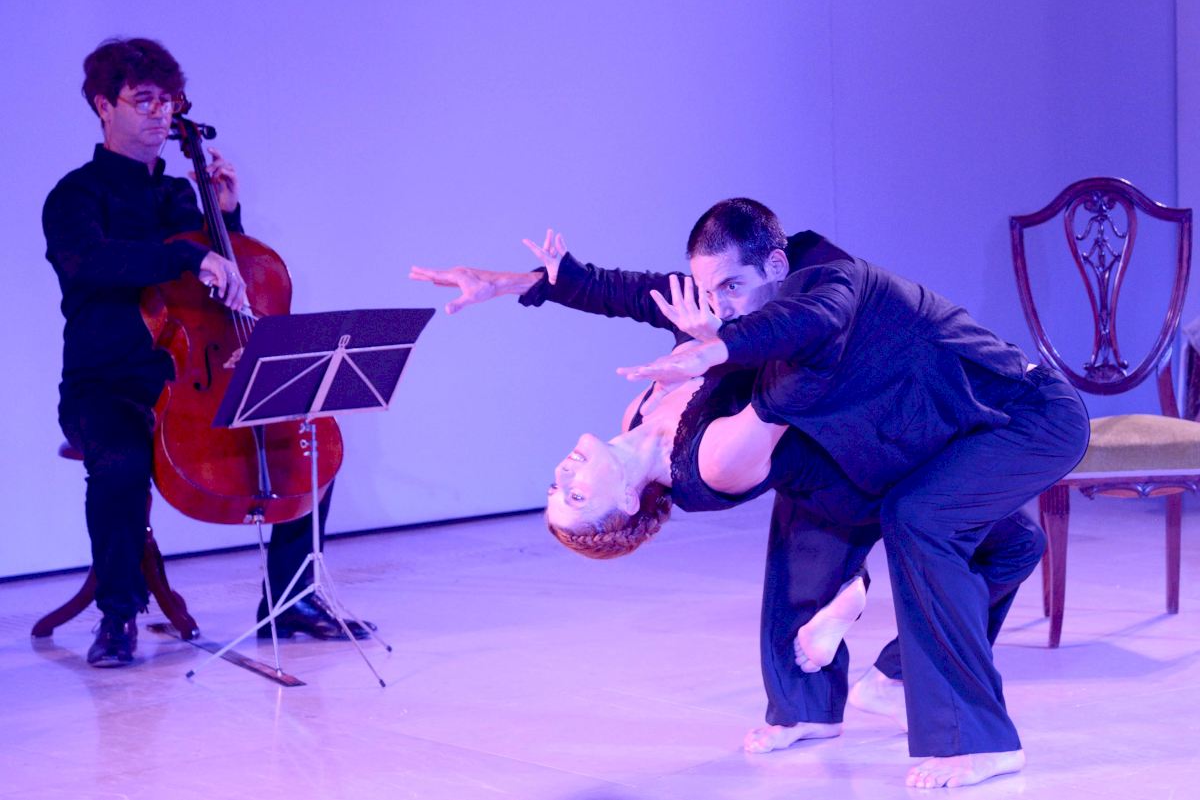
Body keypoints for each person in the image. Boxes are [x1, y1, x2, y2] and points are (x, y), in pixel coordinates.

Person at [411, 212, 1044, 756]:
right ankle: (856, 616)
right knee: (988, 547)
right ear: (626, 502)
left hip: (833, 454)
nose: (561, 475)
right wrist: (714, 339)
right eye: (576, 496)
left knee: (1012, 546)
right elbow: (787, 389)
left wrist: (513, 283)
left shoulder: (635, 418)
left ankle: (835, 695)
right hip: (858, 469)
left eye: (555, 490)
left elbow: (648, 296)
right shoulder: (706, 467)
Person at [615, 200, 1090, 788]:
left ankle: (980, 739)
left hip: (1029, 415)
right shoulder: (751, 308)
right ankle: (828, 701)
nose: (721, 305)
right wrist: (549, 281)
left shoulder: (829, 281)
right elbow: (647, 293)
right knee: (1007, 544)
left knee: (920, 519)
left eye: (731, 286)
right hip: (951, 439)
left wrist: (719, 346)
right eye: (712, 292)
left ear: (776, 265)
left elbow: (809, 319)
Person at [43, 38, 362, 667]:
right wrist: (190, 253)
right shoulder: (75, 197)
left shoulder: (177, 197)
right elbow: (95, 263)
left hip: (191, 375)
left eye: (168, 101)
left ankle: (291, 599)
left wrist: (227, 220)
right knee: (120, 463)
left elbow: (226, 286)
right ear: (104, 106)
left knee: (305, 437)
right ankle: (118, 613)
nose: (160, 113)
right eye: (144, 100)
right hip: (106, 383)